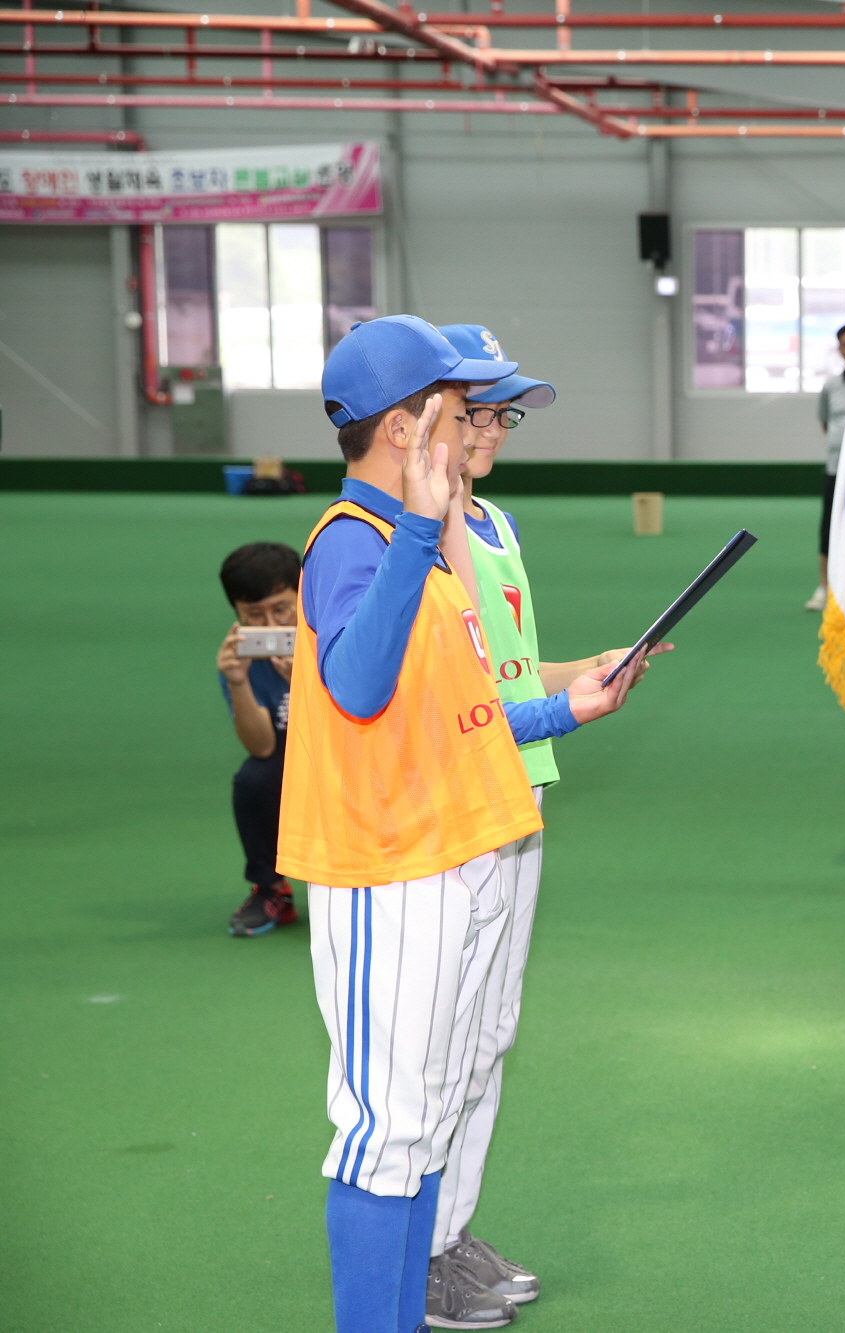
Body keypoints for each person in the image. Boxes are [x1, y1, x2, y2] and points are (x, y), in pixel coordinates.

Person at [282, 315, 653, 1333]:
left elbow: (455, 709)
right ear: (404, 429)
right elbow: (356, 686)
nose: (474, 430)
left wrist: (556, 704)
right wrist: (416, 529)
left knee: (424, 1113)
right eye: (456, 413)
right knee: (385, 1132)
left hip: (446, 847)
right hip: (385, 864)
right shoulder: (354, 542)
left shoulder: (417, 539)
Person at [422, 325, 656, 1328]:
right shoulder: (415, 534)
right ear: (426, 416)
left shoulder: (494, 524)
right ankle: (418, 1249)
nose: (495, 432)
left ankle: (447, 1227)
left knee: (489, 1032)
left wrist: (582, 674)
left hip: (521, 790)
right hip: (456, 808)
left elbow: (511, 670)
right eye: (478, 413)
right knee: (440, 1041)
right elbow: (447, 692)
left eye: (501, 415)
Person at [216, 541, 302, 937]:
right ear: (237, 614)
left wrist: (305, 685)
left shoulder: (338, 634)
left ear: (304, 592)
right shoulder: (241, 657)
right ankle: (271, 889)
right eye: (254, 615)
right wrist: (238, 684)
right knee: (254, 778)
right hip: (292, 755)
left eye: (282, 609)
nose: (270, 626)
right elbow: (263, 747)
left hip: (355, 754)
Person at [809, 322, 845, 612]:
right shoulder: (831, 386)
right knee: (828, 529)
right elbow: (825, 422)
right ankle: (824, 587)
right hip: (836, 468)